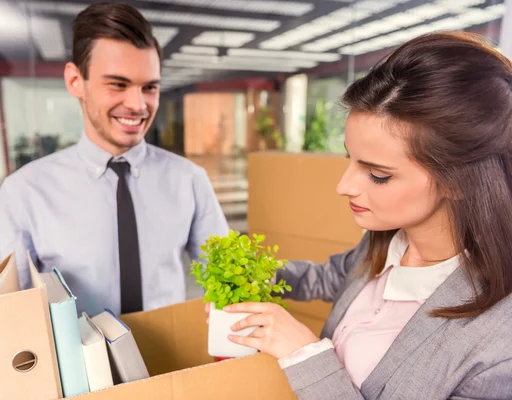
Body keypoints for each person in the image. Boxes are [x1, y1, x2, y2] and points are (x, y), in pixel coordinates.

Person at [218, 32, 512, 399]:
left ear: (458, 180)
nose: (344, 186)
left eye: (378, 175)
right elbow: (331, 278)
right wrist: (251, 275)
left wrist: (305, 355)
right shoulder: (386, 242)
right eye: (349, 159)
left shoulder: (499, 349)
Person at [0, 2, 229, 316]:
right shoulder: (25, 192)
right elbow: (0, 310)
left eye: (149, 87)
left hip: (173, 359)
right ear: (75, 81)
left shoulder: (189, 179)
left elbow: (228, 280)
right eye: (118, 84)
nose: (138, 105)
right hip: (72, 361)